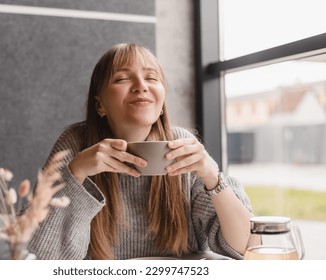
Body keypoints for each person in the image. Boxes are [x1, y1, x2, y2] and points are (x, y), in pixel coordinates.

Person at [27, 43, 253, 260]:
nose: (141, 86)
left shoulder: (183, 145)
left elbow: (246, 247)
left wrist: (212, 176)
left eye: (151, 78)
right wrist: (75, 173)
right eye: (123, 78)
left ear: (162, 100)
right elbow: (38, 258)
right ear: (100, 105)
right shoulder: (76, 144)